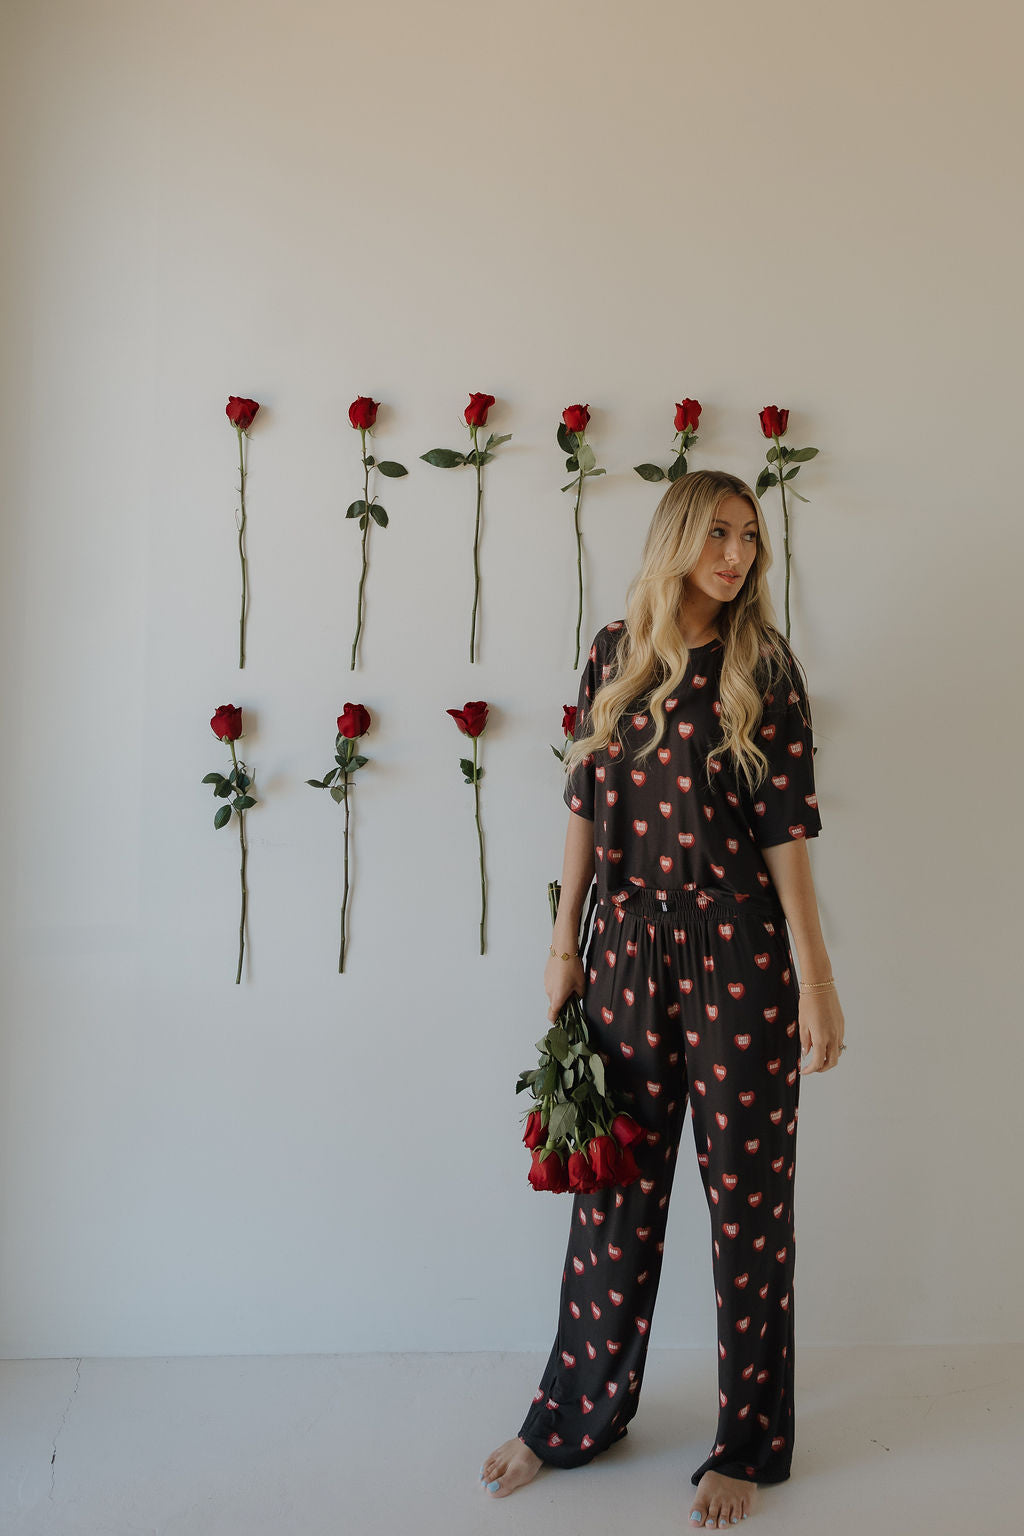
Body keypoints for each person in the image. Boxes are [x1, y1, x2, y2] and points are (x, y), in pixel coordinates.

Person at [479, 469, 845, 1528]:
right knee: (613, 1197)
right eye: (718, 534)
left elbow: (786, 834)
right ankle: (574, 1417)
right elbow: (586, 803)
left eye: (750, 539)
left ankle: (749, 1444)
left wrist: (815, 982)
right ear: (676, 536)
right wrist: (562, 945)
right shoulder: (614, 652)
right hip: (624, 953)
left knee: (748, 1209)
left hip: (739, 957)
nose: (736, 556)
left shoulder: (762, 666)